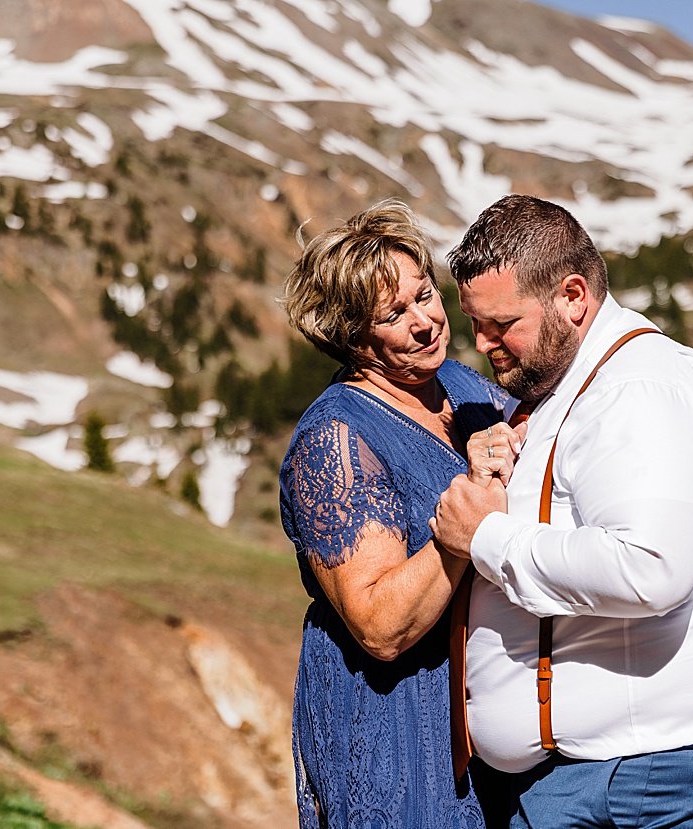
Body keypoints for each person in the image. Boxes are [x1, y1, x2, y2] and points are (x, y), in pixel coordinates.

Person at [431, 194, 693, 828]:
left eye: (502, 324)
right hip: (620, 769)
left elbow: (648, 568)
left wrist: (487, 537)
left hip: (643, 775)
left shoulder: (637, 390)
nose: (481, 344)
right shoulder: (580, 377)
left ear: (572, 296)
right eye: (473, 322)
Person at [278, 199, 509, 828]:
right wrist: (462, 527)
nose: (425, 322)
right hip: (396, 720)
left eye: (425, 294)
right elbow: (380, 626)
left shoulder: (466, 388)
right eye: (394, 314)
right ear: (354, 338)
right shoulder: (337, 439)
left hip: (480, 709)